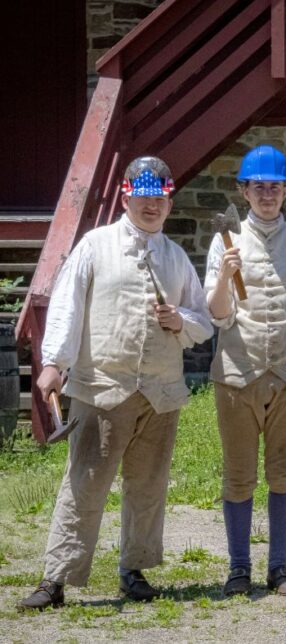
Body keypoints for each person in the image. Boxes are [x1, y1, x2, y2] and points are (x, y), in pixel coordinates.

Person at [17, 157, 214, 610]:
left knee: (148, 485)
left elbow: (203, 323)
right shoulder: (95, 246)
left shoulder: (176, 256)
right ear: (127, 197)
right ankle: (56, 578)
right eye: (142, 197)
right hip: (103, 385)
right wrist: (54, 363)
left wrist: (177, 319)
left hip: (160, 392)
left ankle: (134, 569)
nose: (151, 207)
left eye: (159, 199)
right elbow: (68, 305)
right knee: (85, 483)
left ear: (168, 202)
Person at [205, 144, 286, 597]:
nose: (267, 194)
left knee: (283, 470)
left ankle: (280, 567)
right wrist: (223, 276)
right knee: (238, 472)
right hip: (237, 373)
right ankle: (239, 567)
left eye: (275, 186)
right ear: (243, 190)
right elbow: (217, 316)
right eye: (258, 186)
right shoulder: (226, 241)